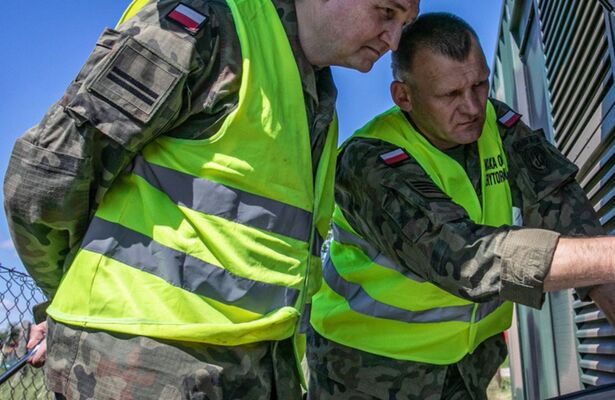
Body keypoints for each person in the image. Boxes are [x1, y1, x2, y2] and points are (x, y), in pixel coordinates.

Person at [306, 13, 615, 399]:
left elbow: (573, 223)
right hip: (366, 372)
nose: (472, 107)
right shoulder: (370, 161)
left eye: (480, 85)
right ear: (403, 97)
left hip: (468, 367)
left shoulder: (497, 125)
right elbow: (466, 259)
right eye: (450, 95)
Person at [2, 0, 418, 398]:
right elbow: (45, 178)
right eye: (386, 12)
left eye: (406, 21)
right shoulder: (209, 25)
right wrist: (64, 299)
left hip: (258, 367)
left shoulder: (311, 85)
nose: (395, 39)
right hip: (143, 369)